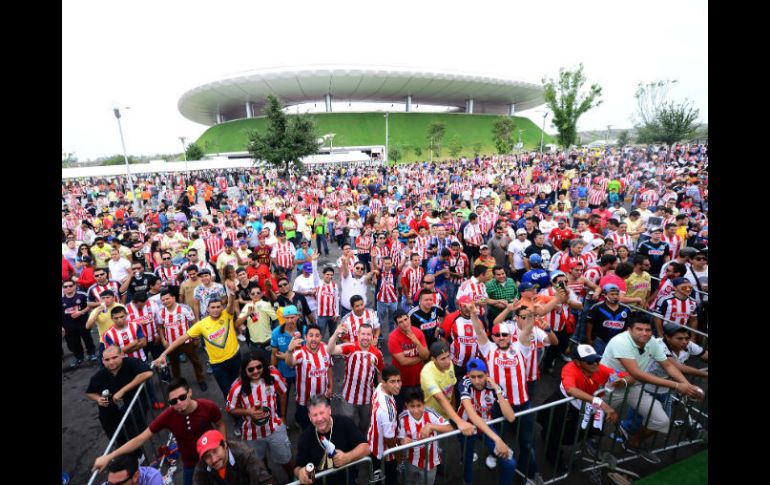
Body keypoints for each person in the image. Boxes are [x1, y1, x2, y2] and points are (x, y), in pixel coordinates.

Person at [599, 315, 705, 463]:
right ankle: (590, 444)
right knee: (591, 418)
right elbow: (637, 373)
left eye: (648, 330)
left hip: (633, 386)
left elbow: (668, 366)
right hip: (609, 387)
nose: (644, 333)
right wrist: (677, 385)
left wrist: (688, 386)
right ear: (629, 330)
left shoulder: (652, 342)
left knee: (661, 421)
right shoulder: (620, 342)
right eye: (639, 329)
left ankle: (633, 442)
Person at [93, 378, 226, 485]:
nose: (179, 402)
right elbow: (140, 439)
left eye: (182, 397)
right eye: (173, 401)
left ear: (190, 392)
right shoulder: (168, 416)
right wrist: (109, 457)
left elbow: (220, 424)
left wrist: (223, 446)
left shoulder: (207, 406)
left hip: (213, 456)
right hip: (190, 463)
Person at [467, 300, 541, 482]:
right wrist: (474, 314)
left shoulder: (520, 347)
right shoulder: (489, 349)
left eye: (504, 335)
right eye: (497, 335)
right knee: (497, 435)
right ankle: (494, 454)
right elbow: (479, 331)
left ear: (510, 336)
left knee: (526, 443)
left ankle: (530, 474)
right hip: (498, 405)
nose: (501, 337)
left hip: (522, 403)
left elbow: (528, 331)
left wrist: (531, 315)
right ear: (493, 338)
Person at [538, 344, 634, 470]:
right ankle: (555, 462)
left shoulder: (600, 368)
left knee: (579, 434)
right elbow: (571, 390)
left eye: (596, 359)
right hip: (564, 406)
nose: (595, 364)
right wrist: (601, 403)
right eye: (590, 361)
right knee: (554, 435)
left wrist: (623, 382)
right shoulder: (569, 368)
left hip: (586, 408)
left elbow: (631, 377)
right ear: (578, 362)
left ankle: (585, 445)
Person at [153, 289, 241, 403]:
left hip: (235, 358)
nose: (216, 310)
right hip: (218, 364)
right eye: (212, 307)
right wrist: (164, 354)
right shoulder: (201, 325)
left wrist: (232, 295)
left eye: (218, 307)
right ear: (207, 310)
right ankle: (235, 412)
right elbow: (182, 338)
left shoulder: (226, 315)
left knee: (238, 386)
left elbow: (230, 305)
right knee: (227, 391)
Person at [225, 350, 293, 478]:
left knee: (286, 459)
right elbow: (229, 408)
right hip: (252, 434)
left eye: (259, 367)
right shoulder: (236, 387)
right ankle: (267, 477)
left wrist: (283, 416)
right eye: (251, 369)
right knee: (259, 462)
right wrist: (247, 412)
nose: (256, 371)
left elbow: (283, 393)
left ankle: (293, 478)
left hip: (275, 428)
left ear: (263, 365)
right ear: (245, 370)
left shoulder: (273, 375)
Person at [457, 358, 517, 485]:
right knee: (467, 460)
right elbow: (473, 416)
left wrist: (498, 391)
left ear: (487, 374)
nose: (477, 381)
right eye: (473, 377)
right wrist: (498, 439)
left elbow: (511, 417)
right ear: (468, 375)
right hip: (467, 427)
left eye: (480, 376)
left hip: (486, 427)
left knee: (510, 463)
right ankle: (467, 481)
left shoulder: (494, 387)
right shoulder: (464, 383)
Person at [293, 395, 370, 485]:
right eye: (314, 415)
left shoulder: (345, 424)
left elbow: (366, 447)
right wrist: (300, 473)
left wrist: (347, 457)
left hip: (346, 480)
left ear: (329, 410)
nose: (319, 419)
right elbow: (297, 466)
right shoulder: (305, 438)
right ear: (309, 416)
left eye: (322, 413)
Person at [86, 345, 153, 445]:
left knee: (135, 427)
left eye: (114, 357)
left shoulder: (131, 363)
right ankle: (121, 446)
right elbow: (89, 392)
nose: (111, 362)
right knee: (113, 429)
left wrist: (123, 391)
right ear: (103, 361)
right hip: (110, 410)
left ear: (122, 355)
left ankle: (137, 450)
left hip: (134, 404)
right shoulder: (99, 376)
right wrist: (98, 399)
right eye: (107, 359)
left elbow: (147, 373)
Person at [327, 323, 384, 433]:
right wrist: (335, 334)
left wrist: (379, 393)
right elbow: (330, 350)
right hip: (348, 396)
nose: (365, 337)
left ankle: (361, 441)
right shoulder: (350, 347)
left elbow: (380, 373)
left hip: (367, 398)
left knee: (365, 424)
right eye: (363, 334)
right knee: (347, 423)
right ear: (358, 334)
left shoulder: (377, 353)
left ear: (372, 336)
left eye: (368, 334)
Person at [397, 388, 453, 485]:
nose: (416, 410)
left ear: (424, 404)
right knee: (409, 482)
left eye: (419, 405)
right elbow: (399, 438)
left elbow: (450, 428)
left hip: (431, 463)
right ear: (406, 405)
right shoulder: (402, 418)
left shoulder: (431, 414)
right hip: (411, 461)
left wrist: (431, 426)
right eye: (412, 406)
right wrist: (402, 441)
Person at [420, 341, 475, 436]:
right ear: (433, 359)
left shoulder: (450, 365)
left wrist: (453, 406)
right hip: (432, 415)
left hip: (447, 412)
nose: (447, 361)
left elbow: (452, 386)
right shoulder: (427, 373)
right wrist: (460, 422)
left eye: (448, 356)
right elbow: (439, 397)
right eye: (443, 359)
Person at [285, 324, 332, 430]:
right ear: (305, 338)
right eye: (311, 335)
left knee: (323, 422)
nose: (314, 339)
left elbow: (329, 368)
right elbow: (289, 363)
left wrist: (330, 387)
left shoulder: (326, 349)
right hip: (304, 401)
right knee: (306, 427)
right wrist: (289, 351)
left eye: (317, 335)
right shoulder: (300, 353)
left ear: (321, 337)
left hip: (322, 397)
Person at [157, 289, 206, 390]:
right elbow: (160, 327)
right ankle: (178, 384)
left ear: (174, 298)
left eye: (167, 298)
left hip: (186, 342)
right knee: (174, 365)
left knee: (195, 361)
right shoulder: (160, 312)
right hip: (171, 344)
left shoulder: (184, 309)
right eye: (163, 300)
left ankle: (201, 380)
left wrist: (196, 337)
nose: (165, 301)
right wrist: (163, 340)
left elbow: (194, 323)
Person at [192, 429, 274, 485]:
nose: (214, 459)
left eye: (215, 451)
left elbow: (265, 480)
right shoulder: (202, 466)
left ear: (225, 445)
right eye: (207, 456)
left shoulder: (245, 455)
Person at [388, 309, 430, 412]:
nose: (404, 323)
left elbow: (426, 355)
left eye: (405, 319)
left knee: (419, 407)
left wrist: (417, 342)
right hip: (401, 382)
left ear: (409, 319)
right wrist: (420, 358)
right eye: (400, 322)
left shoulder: (418, 332)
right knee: (401, 409)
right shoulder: (393, 337)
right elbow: (403, 361)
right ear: (396, 325)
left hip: (418, 380)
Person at [367, 365, 402, 485]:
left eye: (398, 381)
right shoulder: (387, 410)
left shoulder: (379, 387)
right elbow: (389, 439)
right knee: (389, 480)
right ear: (384, 382)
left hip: (373, 443)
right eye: (392, 382)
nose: (397, 385)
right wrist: (399, 457)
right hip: (385, 454)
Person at [62, 280, 98, 367]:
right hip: (68, 326)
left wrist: (81, 312)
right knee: (74, 343)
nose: (68, 288)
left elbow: (90, 305)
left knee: (87, 339)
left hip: (83, 323)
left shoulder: (82, 295)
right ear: (63, 289)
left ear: (75, 286)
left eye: (70, 286)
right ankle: (79, 357)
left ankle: (91, 354)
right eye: (65, 287)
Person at [236, 286, 276, 353]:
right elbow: (237, 324)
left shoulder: (266, 304)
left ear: (261, 294)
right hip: (254, 344)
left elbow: (276, 319)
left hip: (268, 342)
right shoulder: (247, 307)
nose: (255, 295)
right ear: (250, 295)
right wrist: (247, 314)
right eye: (253, 293)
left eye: (258, 293)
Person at [315, 266, 340, 337]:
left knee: (333, 334)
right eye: (327, 274)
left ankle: (333, 347)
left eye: (331, 275)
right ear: (323, 274)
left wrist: (337, 313)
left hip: (332, 315)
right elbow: (315, 272)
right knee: (320, 335)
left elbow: (336, 300)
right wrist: (314, 261)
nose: (329, 276)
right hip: (321, 315)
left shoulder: (334, 285)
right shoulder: (318, 283)